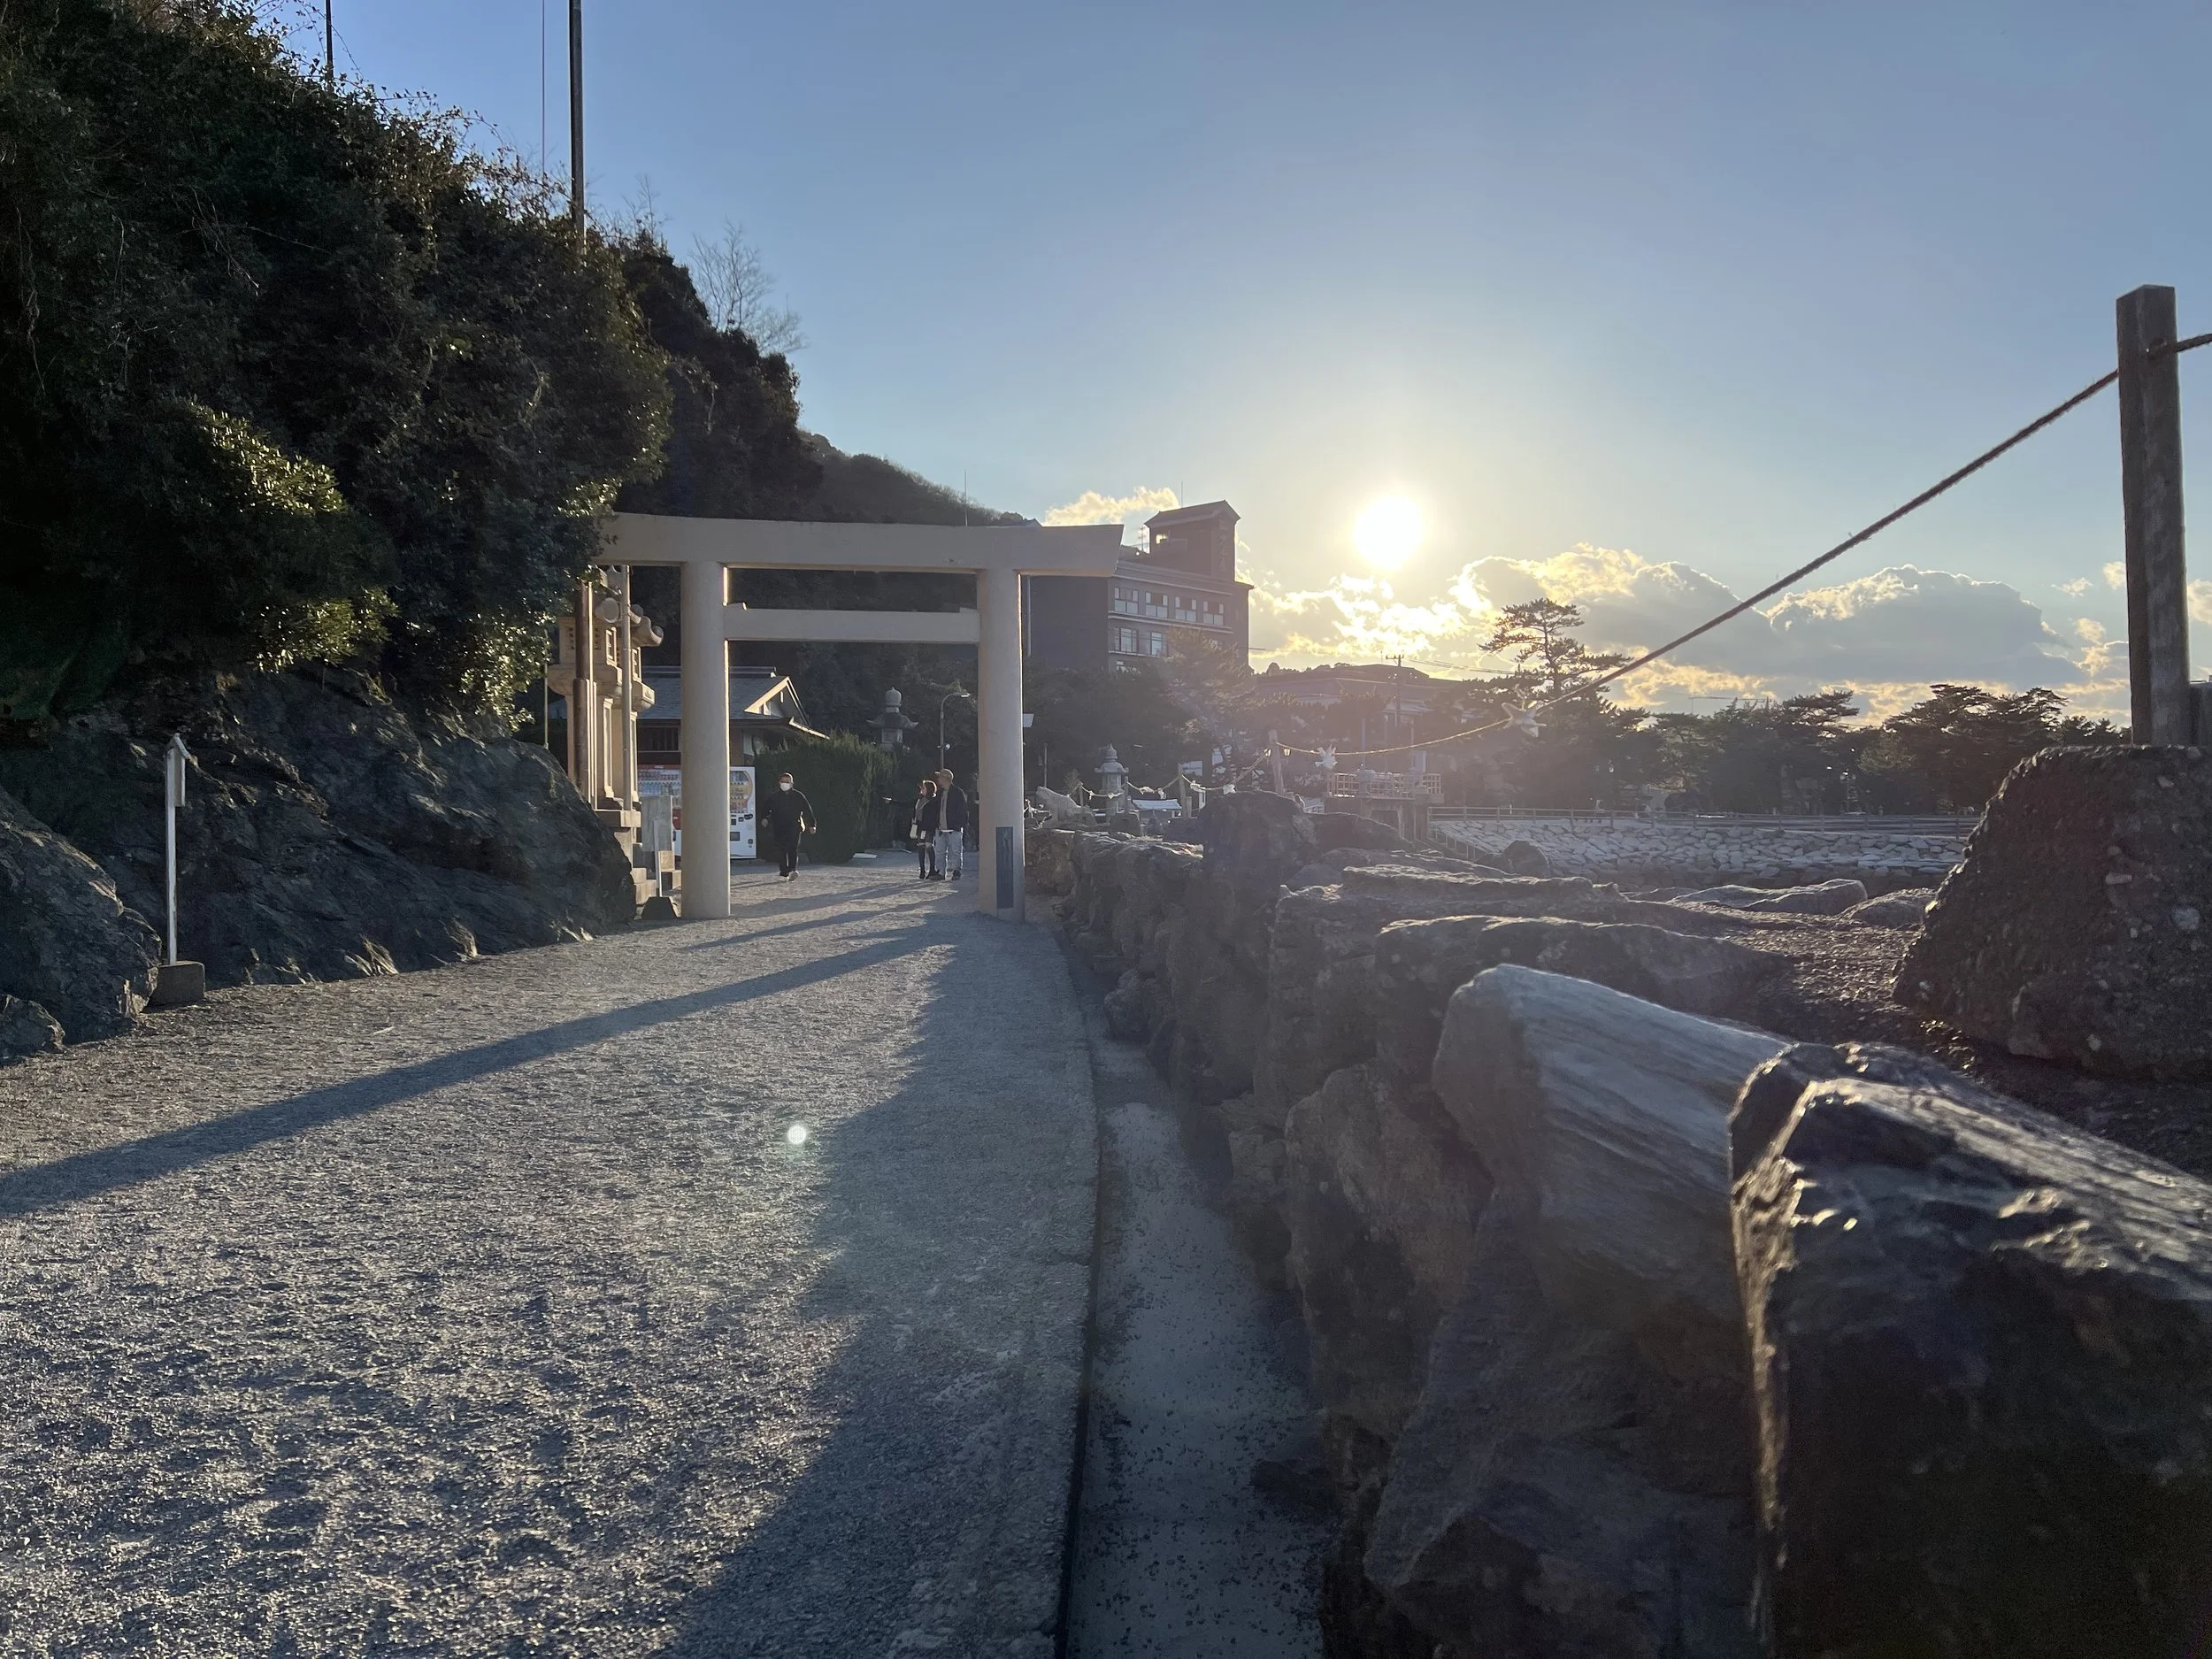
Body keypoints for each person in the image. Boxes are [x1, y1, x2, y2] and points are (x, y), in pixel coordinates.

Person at [762, 772, 815, 880]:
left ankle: (792, 870)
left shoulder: (798, 796)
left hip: (794, 826)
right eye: (783, 781)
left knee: (793, 848)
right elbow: (765, 809)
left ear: (792, 783)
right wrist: (764, 818)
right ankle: (784, 871)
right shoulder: (774, 797)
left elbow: (807, 810)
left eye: (787, 782)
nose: (785, 784)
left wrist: (812, 824)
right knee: (781, 849)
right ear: (779, 782)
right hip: (779, 826)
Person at [934, 769, 969, 881]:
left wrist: (959, 825)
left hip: (954, 828)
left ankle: (956, 871)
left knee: (956, 851)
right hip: (940, 828)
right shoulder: (939, 793)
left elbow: (963, 811)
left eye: (940, 777)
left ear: (946, 778)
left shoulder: (958, 793)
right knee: (940, 852)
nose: (938, 779)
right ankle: (940, 872)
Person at [910, 778, 940, 880]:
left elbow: (935, 815)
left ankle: (932, 870)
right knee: (920, 847)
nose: (922, 789)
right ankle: (922, 870)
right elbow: (908, 804)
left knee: (929, 846)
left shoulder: (934, 800)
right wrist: (892, 802)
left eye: (923, 788)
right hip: (920, 826)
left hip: (929, 827)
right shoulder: (919, 800)